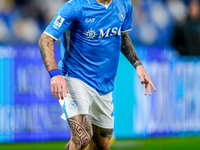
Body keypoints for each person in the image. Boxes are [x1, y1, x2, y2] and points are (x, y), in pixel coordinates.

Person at [38, 0, 156, 149]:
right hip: (75, 77)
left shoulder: (124, 4)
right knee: (82, 137)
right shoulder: (75, 6)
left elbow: (121, 35)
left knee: (103, 144)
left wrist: (138, 65)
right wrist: (55, 74)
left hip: (104, 84)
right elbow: (45, 38)